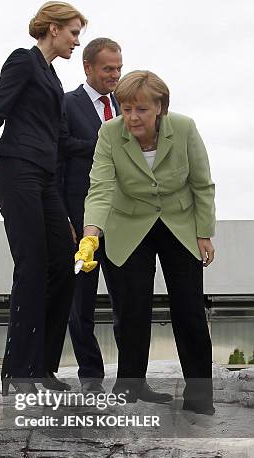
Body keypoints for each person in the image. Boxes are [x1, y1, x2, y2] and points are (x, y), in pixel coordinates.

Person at [76, 70, 216, 414]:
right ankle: (130, 387)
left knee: (189, 310)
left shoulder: (184, 128)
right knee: (131, 309)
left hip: (178, 222)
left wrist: (203, 233)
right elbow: (100, 187)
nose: (132, 117)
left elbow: (202, 183)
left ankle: (200, 396)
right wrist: (91, 234)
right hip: (128, 223)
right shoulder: (109, 133)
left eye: (140, 109)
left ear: (160, 108)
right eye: (126, 109)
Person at [0, 2, 94, 396]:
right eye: (74, 32)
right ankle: (19, 371)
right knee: (33, 266)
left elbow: (63, 142)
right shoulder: (23, 61)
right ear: (54, 28)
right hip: (16, 170)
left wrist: (110, 144)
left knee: (65, 260)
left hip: (44, 179)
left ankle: (42, 367)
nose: (77, 41)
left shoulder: (54, 79)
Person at [62, 37, 122, 394]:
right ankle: (91, 376)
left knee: (126, 301)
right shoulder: (66, 104)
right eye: (107, 69)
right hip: (81, 219)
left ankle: (132, 376)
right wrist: (65, 219)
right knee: (80, 303)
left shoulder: (127, 105)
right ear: (87, 67)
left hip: (124, 220)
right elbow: (60, 150)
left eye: (118, 68)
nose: (115, 75)